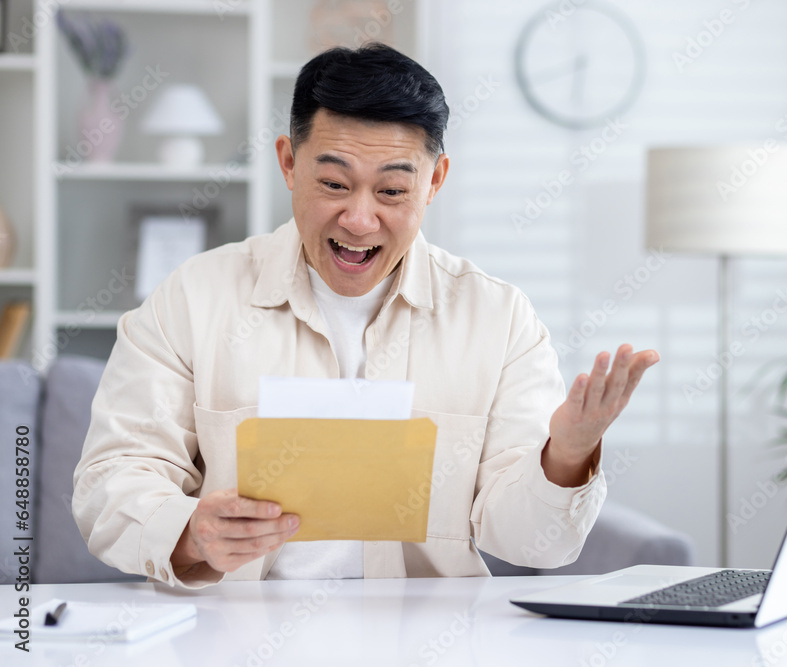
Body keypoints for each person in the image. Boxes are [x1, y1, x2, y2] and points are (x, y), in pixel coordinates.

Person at [73, 43, 658, 588]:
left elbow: (533, 543)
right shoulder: (195, 298)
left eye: (392, 192)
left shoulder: (498, 317)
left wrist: (567, 455)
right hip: (237, 635)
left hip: (429, 641)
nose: (358, 219)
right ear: (287, 163)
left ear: (434, 182)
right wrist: (190, 531)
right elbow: (111, 480)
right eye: (333, 183)